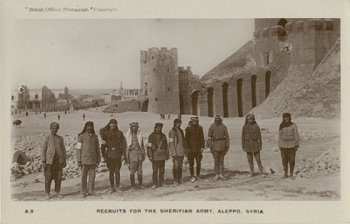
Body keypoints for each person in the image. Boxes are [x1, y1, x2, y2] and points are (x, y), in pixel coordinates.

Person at [99, 119, 126, 193]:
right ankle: (112, 187)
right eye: (111, 124)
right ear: (109, 124)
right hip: (109, 155)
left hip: (118, 155)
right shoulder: (106, 133)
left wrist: (123, 154)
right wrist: (104, 156)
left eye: (114, 124)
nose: (113, 125)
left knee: (117, 172)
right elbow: (103, 146)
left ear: (116, 125)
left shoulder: (120, 133)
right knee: (111, 172)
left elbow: (123, 144)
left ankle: (117, 187)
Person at [41, 122, 67, 199]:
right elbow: (43, 150)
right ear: (50, 128)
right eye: (53, 128)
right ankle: (47, 193)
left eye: (56, 128)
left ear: (58, 129)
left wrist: (64, 160)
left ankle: (57, 192)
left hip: (58, 162)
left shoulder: (60, 138)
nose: (54, 129)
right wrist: (43, 161)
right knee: (48, 178)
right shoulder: (47, 138)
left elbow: (63, 149)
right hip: (49, 162)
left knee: (58, 178)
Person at [76, 121, 100, 197]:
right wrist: (79, 160)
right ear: (85, 127)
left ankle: (91, 191)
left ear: (92, 127)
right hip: (84, 160)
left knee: (92, 176)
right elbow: (78, 149)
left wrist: (98, 159)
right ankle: (83, 192)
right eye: (88, 126)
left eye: (91, 126)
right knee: (83, 176)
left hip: (93, 160)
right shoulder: (81, 136)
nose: (89, 128)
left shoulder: (95, 137)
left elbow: (97, 149)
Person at [208, 115, 230, 180]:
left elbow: (227, 137)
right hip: (214, 146)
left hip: (222, 146)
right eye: (216, 119)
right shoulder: (212, 126)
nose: (217, 121)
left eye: (218, 119)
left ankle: (221, 174)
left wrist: (227, 145)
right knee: (216, 161)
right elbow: (209, 137)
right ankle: (216, 174)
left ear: (220, 120)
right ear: (214, 120)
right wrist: (210, 146)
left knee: (221, 161)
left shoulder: (223, 127)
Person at [147, 122, 169, 188]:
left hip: (162, 155)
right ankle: (155, 183)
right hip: (155, 155)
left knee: (162, 170)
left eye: (160, 128)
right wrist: (150, 155)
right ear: (155, 128)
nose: (159, 129)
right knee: (155, 171)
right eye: (158, 128)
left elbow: (166, 146)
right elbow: (149, 147)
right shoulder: (151, 136)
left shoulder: (163, 136)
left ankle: (161, 182)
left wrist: (167, 154)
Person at [125, 121, 145, 190]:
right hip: (132, 154)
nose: (135, 128)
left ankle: (140, 184)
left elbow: (142, 146)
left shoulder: (140, 135)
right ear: (130, 127)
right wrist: (127, 158)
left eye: (136, 127)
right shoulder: (128, 136)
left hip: (139, 154)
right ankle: (132, 186)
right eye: (133, 127)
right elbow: (126, 148)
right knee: (132, 171)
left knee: (140, 171)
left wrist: (143, 154)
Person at [278, 113, 299, 179]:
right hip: (283, 145)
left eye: (288, 117)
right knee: (284, 160)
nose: (286, 119)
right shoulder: (281, 125)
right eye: (285, 117)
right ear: (283, 118)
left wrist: (296, 144)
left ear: (290, 118)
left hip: (291, 145)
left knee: (292, 160)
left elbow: (296, 135)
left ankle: (291, 174)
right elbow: (279, 136)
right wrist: (279, 145)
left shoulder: (293, 125)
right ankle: (285, 174)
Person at [185, 116, 205, 182]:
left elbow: (202, 137)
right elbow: (186, 139)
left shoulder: (200, 128)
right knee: (191, 163)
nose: (195, 122)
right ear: (191, 121)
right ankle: (192, 176)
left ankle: (198, 175)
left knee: (198, 163)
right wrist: (188, 148)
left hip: (198, 149)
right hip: (191, 149)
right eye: (193, 121)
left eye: (196, 121)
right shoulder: (188, 128)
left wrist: (202, 146)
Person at [169, 118, 187, 185]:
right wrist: (173, 152)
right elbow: (171, 143)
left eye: (180, 123)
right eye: (177, 123)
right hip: (176, 152)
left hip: (181, 151)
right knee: (175, 166)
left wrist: (185, 151)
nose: (179, 124)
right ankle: (175, 180)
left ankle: (179, 179)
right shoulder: (172, 131)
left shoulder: (181, 131)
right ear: (175, 123)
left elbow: (183, 142)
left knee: (180, 166)